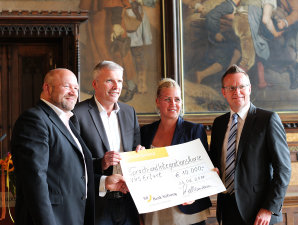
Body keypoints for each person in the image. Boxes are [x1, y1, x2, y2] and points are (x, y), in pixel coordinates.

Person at [11, 68, 128, 225]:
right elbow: (35, 181)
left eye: (76, 88)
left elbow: (71, 171)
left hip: (74, 216)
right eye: (67, 86)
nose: (73, 92)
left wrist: (104, 182)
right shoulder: (35, 120)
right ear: (47, 88)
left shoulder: (68, 121)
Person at [209, 64, 291, 225]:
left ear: (250, 89)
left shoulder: (268, 119)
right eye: (231, 87)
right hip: (227, 208)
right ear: (223, 92)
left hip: (259, 213)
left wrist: (269, 208)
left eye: (241, 87)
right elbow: (213, 164)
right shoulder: (219, 123)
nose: (237, 92)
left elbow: (284, 169)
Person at [72, 60, 142, 225]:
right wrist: (101, 163)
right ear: (95, 84)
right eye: (110, 80)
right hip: (97, 203)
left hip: (128, 200)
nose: (116, 86)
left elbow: (135, 148)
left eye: (119, 81)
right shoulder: (77, 114)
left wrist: (140, 154)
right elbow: (73, 163)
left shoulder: (129, 112)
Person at [140, 78, 212, 225]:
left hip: (187, 210)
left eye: (177, 99)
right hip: (154, 209)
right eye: (167, 99)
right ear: (157, 102)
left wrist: (194, 193)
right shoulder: (145, 132)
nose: (173, 104)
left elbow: (205, 170)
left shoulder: (194, 130)